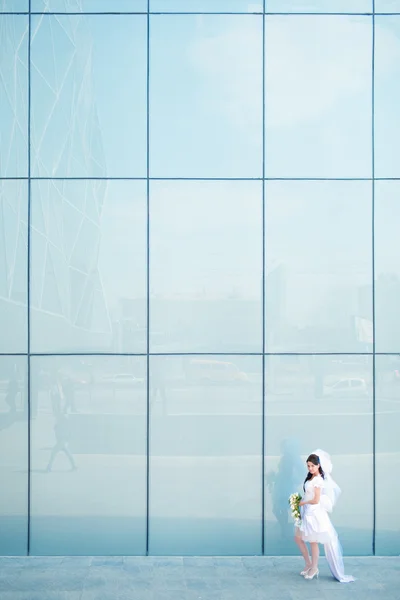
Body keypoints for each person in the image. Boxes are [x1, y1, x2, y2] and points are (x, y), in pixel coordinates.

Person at [294, 450, 355, 583]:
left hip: (314, 512)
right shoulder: (310, 478)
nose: (310, 468)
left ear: (318, 466)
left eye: (312, 466)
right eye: (308, 465)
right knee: (298, 538)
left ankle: (314, 567)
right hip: (306, 511)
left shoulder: (318, 480)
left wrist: (303, 502)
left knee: (313, 541)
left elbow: (316, 500)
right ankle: (309, 564)